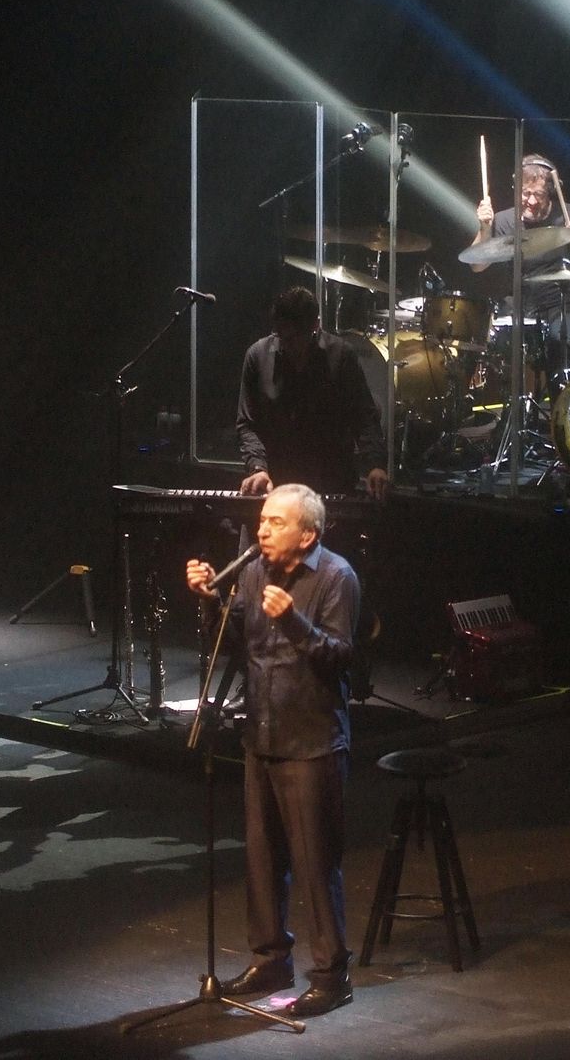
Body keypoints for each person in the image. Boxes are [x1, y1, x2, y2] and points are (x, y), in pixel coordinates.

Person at [185, 484, 358, 1018]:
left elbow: (339, 657)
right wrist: (212, 601)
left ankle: (331, 976)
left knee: (314, 861)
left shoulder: (336, 577)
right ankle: (271, 959)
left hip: (310, 740)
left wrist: (293, 621)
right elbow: (236, 638)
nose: (262, 530)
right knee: (262, 860)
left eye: (276, 522)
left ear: (307, 534)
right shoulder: (256, 570)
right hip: (260, 733)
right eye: (262, 520)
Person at [473, 154, 570, 384]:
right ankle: (513, 410)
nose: (532, 201)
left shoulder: (569, 214)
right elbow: (477, 265)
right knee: (498, 346)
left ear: (551, 193)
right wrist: (484, 228)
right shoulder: (504, 220)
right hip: (521, 303)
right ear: (517, 190)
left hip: (562, 302)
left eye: (540, 195)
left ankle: (562, 410)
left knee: (559, 347)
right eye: (526, 193)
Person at [236, 286, 389, 500]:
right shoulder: (258, 356)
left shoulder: (342, 356)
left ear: (315, 326)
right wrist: (258, 467)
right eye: (282, 336)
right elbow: (247, 423)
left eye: (295, 338)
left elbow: (364, 417)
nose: (288, 346)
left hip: (332, 482)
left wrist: (375, 465)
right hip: (276, 483)